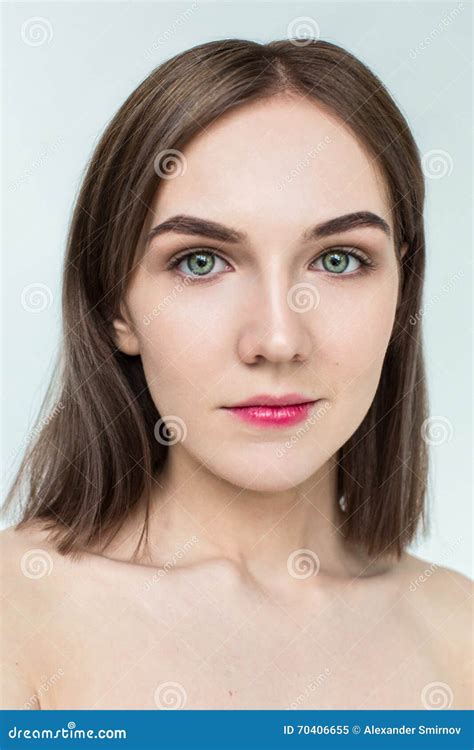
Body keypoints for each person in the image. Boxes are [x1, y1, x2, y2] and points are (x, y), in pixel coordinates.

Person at [1, 38, 471, 711]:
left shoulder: (460, 636)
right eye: (200, 262)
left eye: (338, 261)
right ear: (116, 307)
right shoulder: (14, 618)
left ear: (402, 290)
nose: (277, 339)